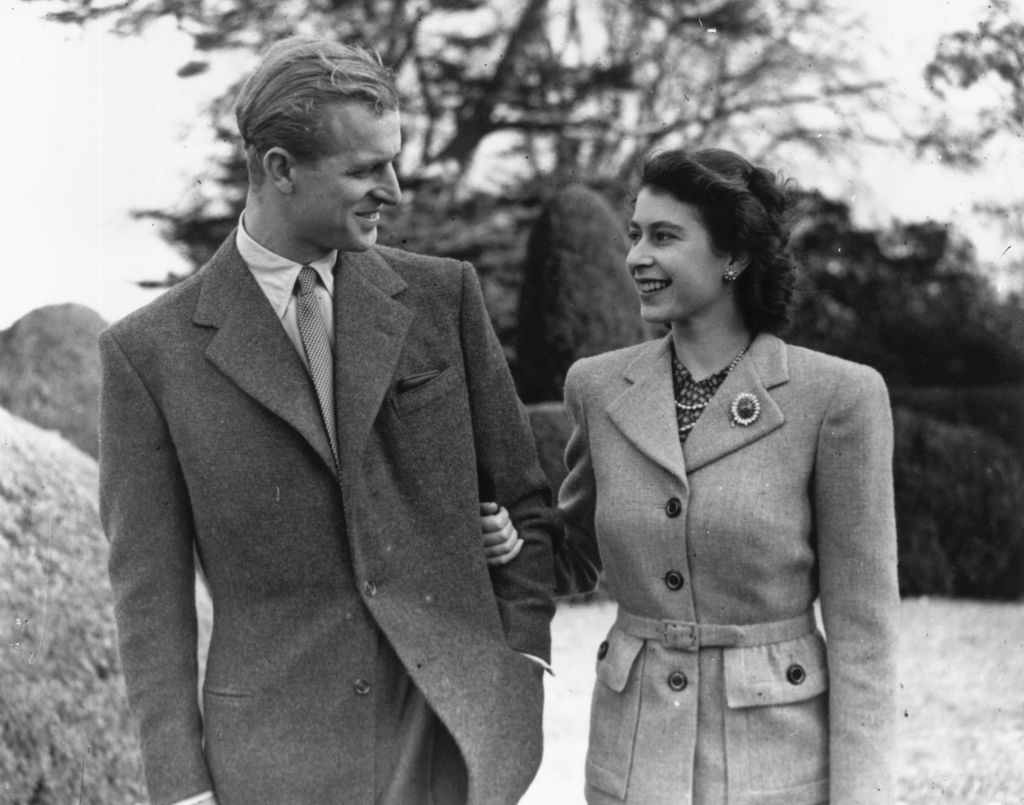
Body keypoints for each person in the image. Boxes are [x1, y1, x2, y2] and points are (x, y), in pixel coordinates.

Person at [99, 36, 557, 805]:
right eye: (366, 170)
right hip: (274, 765)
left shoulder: (444, 298)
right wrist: (182, 790)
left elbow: (527, 504)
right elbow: (150, 600)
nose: (395, 191)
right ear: (280, 168)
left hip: (449, 747)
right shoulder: (149, 354)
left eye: (394, 162)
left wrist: (522, 664)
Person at [483, 148, 899, 803]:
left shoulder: (838, 397)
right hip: (633, 760)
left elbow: (865, 634)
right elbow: (575, 556)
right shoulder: (597, 386)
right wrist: (512, 543)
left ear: (734, 255)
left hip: (778, 768)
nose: (636, 257)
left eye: (664, 236)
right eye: (634, 235)